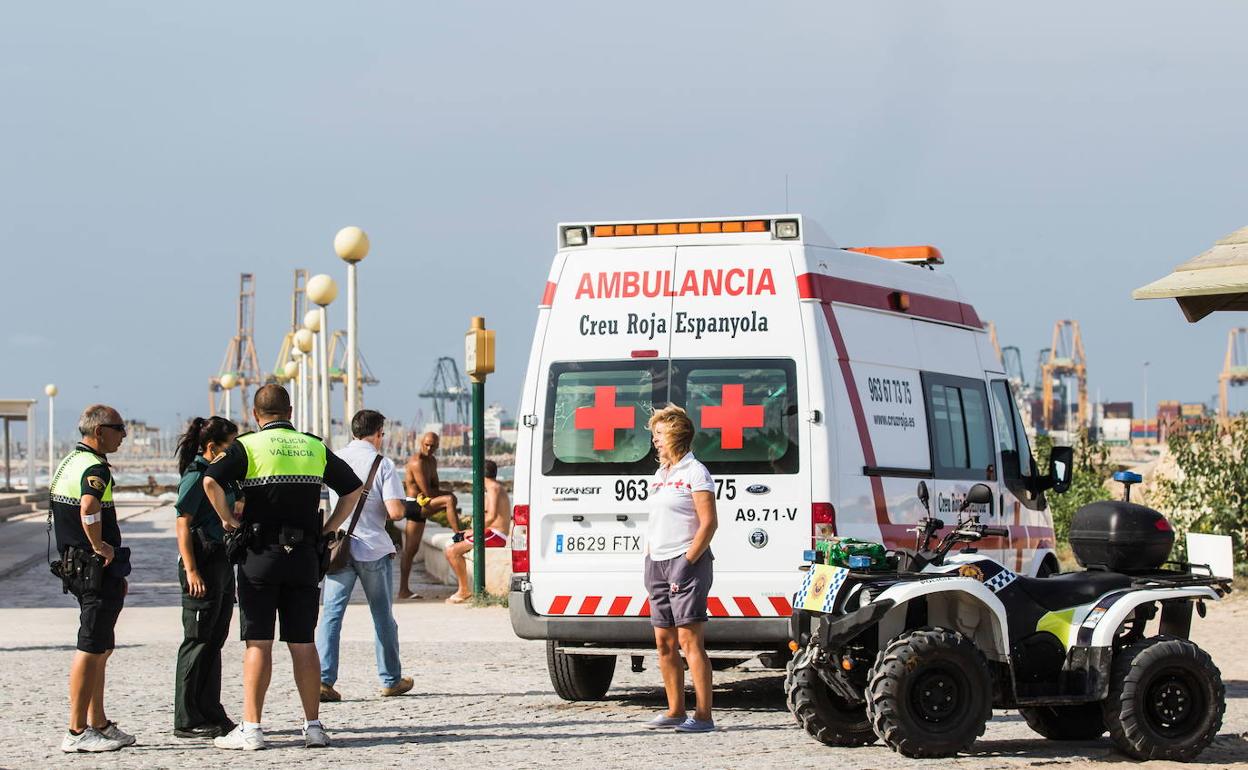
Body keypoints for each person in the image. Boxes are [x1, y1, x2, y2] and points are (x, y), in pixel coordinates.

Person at [202, 384, 362, 751]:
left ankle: (252, 728)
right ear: (290, 411)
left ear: (256, 415)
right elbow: (351, 490)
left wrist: (229, 521)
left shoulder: (247, 446)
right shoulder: (313, 446)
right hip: (305, 555)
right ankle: (313, 726)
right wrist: (330, 527)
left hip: (260, 555)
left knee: (258, 642)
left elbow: (210, 480)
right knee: (303, 642)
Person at [51, 404, 136, 753]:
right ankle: (76, 732)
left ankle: (98, 722)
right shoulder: (93, 466)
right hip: (93, 568)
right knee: (90, 647)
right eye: (119, 428)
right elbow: (89, 508)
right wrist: (101, 546)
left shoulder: (69, 461)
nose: (123, 435)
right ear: (99, 431)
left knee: (101, 646)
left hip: (79, 566)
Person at [316, 409, 414, 702]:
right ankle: (390, 679)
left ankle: (323, 679)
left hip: (339, 548)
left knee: (331, 615)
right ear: (378, 433)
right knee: (382, 616)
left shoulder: (335, 458)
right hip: (372, 548)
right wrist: (411, 506)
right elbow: (396, 511)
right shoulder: (382, 464)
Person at [642, 405, 718, 733]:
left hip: (686, 562)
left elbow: (709, 523)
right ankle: (674, 710)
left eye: (658, 435)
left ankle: (703, 715)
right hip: (656, 563)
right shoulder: (661, 476)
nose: (655, 441)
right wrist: (649, 557)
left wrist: (686, 563)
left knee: (689, 641)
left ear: (674, 435)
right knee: (664, 642)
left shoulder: (695, 472)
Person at [172, 416, 241, 739]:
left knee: (214, 640)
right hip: (201, 562)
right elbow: (183, 524)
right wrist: (191, 570)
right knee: (197, 641)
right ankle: (187, 717)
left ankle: (210, 709)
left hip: (221, 561)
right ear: (212, 447)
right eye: (230, 446)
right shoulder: (196, 477)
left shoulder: (220, 477)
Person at [398, 432, 459, 599]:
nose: (429, 448)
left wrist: (443, 493)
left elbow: (434, 487)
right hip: (414, 505)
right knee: (449, 500)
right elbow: (428, 491)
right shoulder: (416, 462)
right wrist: (448, 493)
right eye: (426, 444)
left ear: (438, 446)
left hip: (424, 504)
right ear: (421, 443)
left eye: (433, 445)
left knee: (411, 549)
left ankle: (403, 590)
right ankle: (458, 534)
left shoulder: (432, 461)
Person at [443, 459, 510, 604]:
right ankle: (464, 589)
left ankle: (464, 590)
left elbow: (491, 516)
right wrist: (469, 531)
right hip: (490, 532)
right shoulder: (494, 487)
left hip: (495, 534)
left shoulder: (493, 488)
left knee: (452, 551)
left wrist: (474, 530)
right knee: (454, 545)